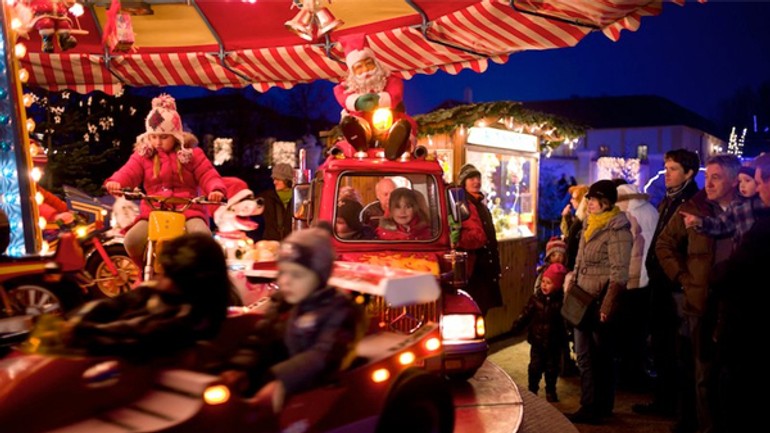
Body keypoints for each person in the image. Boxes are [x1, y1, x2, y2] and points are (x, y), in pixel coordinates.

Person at [219, 228, 365, 416]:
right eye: (283, 273)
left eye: (296, 275)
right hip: (280, 384)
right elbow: (259, 340)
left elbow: (322, 356)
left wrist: (279, 380)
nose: (286, 281)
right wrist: (240, 369)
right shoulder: (282, 302)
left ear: (319, 276)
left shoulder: (340, 311)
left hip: (318, 395)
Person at [655, 154, 741, 433]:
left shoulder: (747, 210)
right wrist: (682, 277)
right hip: (700, 303)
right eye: (708, 176)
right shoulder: (693, 208)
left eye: (717, 177)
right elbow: (664, 245)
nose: (709, 182)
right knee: (702, 375)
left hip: (736, 304)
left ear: (733, 180)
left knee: (730, 376)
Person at [61, 233, 231, 360]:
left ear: (191, 281)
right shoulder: (156, 293)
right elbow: (113, 304)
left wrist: (83, 333)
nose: (159, 278)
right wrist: (75, 321)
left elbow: (140, 336)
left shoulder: (192, 318)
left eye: (167, 274)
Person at [104, 94, 226, 267]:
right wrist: (117, 182)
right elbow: (128, 171)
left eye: (163, 137)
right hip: (153, 211)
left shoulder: (192, 155)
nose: (157, 142)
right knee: (131, 240)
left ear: (176, 135)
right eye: (153, 137)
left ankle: (199, 279)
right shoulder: (144, 156)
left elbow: (208, 174)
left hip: (188, 210)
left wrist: (216, 190)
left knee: (203, 238)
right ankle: (146, 270)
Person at [632, 148, 700, 419]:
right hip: (661, 284)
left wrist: (677, 277)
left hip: (673, 286)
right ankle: (663, 399)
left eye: (673, 169)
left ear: (689, 173)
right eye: (666, 167)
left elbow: (678, 246)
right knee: (661, 345)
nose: (666, 174)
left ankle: (675, 404)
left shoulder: (689, 202)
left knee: (675, 348)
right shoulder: (669, 200)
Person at [708, 152, 769, 432]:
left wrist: (718, 274)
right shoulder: (737, 213)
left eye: (754, 181)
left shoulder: (761, 225)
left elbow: (739, 268)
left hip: (745, 316)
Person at [566, 179, 632, 425]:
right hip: (581, 298)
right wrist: (572, 285)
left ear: (606, 202)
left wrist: (607, 304)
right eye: (589, 199)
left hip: (598, 301)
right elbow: (579, 260)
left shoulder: (617, 229)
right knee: (584, 353)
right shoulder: (589, 225)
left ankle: (598, 406)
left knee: (599, 355)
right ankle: (591, 403)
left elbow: (619, 273)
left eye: (594, 199)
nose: (589, 203)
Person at [333, 33, 414, 159]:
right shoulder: (349, 86)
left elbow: (396, 92)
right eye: (359, 67)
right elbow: (341, 95)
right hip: (362, 121)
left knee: (401, 124)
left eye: (369, 63)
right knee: (354, 125)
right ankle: (358, 141)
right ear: (352, 72)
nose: (365, 70)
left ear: (376, 64)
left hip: (389, 120)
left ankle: (395, 143)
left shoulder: (389, 80)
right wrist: (357, 102)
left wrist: (380, 100)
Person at [614, 183, 659, 391]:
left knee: (629, 332)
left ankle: (630, 375)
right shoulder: (651, 210)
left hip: (634, 279)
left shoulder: (630, 215)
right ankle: (636, 372)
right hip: (648, 278)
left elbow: (632, 250)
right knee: (638, 332)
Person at [510, 262, 568, 403]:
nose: (544, 285)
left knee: (552, 369)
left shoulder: (561, 303)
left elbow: (565, 322)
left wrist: (565, 338)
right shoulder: (536, 299)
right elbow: (526, 313)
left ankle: (550, 390)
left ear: (557, 285)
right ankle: (533, 389)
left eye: (549, 283)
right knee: (535, 367)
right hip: (537, 341)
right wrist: (517, 325)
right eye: (543, 281)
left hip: (554, 343)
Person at [455, 164, 503, 315]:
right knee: (473, 310)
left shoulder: (481, 206)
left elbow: (491, 239)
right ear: (464, 182)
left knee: (483, 310)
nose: (476, 181)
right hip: (472, 270)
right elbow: (458, 236)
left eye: (477, 178)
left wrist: (496, 267)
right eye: (471, 178)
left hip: (485, 269)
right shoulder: (460, 206)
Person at [680, 163, 762, 250]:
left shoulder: (764, 203)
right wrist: (700, 222)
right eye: (740, 181)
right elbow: (722, 224)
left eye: (747, 180)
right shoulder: (737, 205)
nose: (742, 185)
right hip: (744, 254)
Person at [258, 163, 294, 241]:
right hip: (271, 245)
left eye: (278, 179)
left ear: (288, 181)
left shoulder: (298, 198)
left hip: (292, 244)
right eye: (274, 179)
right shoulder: (265, 197)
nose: (274, 182)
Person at [560, 184, 589, 271]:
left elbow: (571, 237)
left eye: (574, 198)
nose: (571, 201)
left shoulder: (582, 219)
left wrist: (567, 217)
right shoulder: (579, 216)